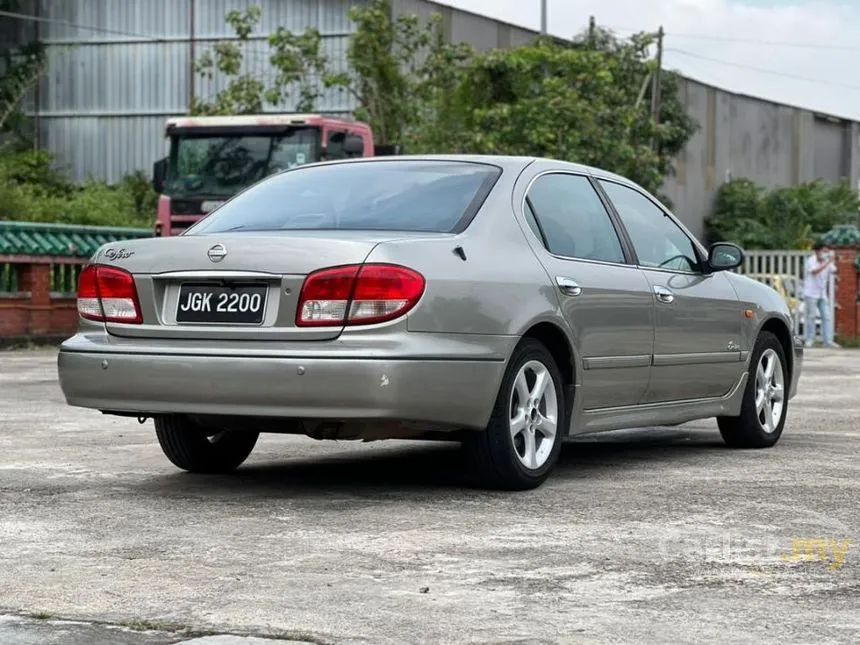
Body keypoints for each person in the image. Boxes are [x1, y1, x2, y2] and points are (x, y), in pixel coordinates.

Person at [803, 242, 838, 348]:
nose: (825, 253)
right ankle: (810, 340)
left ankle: (828, 341)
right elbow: (814, 271)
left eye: (826, 251)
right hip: (811, 293)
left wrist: (833, 259)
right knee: (811, 317)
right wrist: (827, 262)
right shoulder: (810, 260)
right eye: (824, 251)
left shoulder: (827, 261)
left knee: (826, 316)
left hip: (822, 294)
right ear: (817, 251)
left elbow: (834, 270)